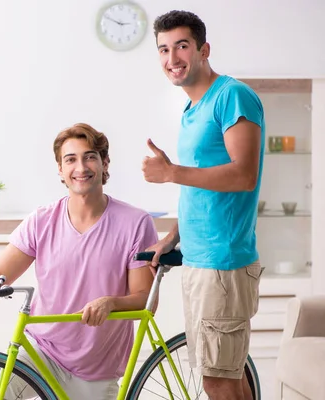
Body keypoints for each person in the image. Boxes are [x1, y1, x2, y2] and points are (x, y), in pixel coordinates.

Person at [0, 122, 158, 400]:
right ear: (60, 169)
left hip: (96, 369)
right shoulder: (41, 221)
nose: (80, 167)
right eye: (70, 159)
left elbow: (146, 300)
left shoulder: (135, 223)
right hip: (41, 350)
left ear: (104, 163)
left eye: (90, 156)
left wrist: (111, 302)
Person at [142, 10, 265, 400]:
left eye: (181, 45)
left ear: (203, 50)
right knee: (226, 376)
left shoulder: (231, 95)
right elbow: (200, 189)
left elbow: (243, 175)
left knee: (217, 381)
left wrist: (171, 172)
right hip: (200, 260)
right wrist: (172, 237)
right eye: (163, 49)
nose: (172, 58)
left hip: (223, 264)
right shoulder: (193, 109)